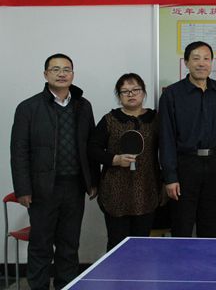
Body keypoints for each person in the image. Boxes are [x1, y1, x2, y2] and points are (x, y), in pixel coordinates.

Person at [10, 53, 98, 290]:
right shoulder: (28, 108)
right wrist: (23, 189)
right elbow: (19, 152)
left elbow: (90, 146)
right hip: (42, 189)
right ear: (45, 74)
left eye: (66, 69)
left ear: (73, 74)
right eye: (55, 69)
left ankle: (66, 286)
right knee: (41, 244)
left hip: (74, 186)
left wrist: (92, 181)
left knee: (69, 244)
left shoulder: (83, 106)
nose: (61, 74)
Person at [159, 41, 216, 237]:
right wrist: (170, 177)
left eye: (206, 59)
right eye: (196, 58)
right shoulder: (172, 94)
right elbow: (166, 138)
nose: (201, 63)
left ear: (211, 62)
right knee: (182, 226)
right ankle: (181, 259)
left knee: (210, 227)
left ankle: (207, 259)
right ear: (186, 62)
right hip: (185, 165)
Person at [88, 73, 161, 250]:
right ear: (119, 96)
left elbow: (167, 149)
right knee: (116, 244)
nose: (131, 94)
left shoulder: (156, 119)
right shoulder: (110, 119)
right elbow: (92, 149)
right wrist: (114, 159)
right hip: (115, 192)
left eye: (135, 89)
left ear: (143, 92)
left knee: (141, 245)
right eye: (125, 91)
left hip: (147, 190)